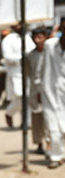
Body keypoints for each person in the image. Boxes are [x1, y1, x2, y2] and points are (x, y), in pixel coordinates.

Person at [41, 18, 65, 169]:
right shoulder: (50, 45)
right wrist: (37, 89)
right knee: (53, 129)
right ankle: (56, 157)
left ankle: (60, 153)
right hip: (49, 92)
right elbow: (42, 68)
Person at [2, 23, 36, 128]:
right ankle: (9, 113)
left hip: (29, 71)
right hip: (16, 72)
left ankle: (26, 122)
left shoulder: (28, 37)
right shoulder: (8, 39)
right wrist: (22, 58)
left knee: (29, 96)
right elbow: (7, 56)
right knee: (21, 96)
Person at [27, 27, 50, 156]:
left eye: (40, 37)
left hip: (50, 91)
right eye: (35, 38)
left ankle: (49, 144)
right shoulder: (30, 55)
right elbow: (28, 73)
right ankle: (39, 144)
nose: (37, 40)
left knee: (50, 119)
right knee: (37, 119)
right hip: (35, 92)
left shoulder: (51, 53)